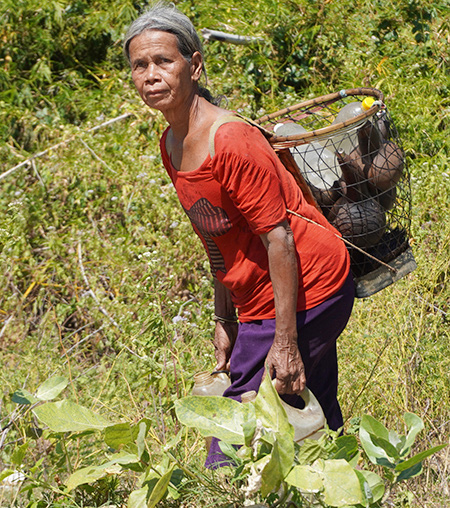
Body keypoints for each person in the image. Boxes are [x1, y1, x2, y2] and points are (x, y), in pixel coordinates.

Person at [124, 2, 354, 467]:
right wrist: (223, 316)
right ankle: (347, 482)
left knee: (232, 435)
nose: (151, 75)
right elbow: (216, 237)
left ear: (194, 64)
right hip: (260, 295)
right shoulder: (172, 142)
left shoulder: (229, 139)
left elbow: (280, 240)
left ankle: (225, 493)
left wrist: (285, 341)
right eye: (139, 65)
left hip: (311, 284)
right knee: (310, 411)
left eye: (164, 61)